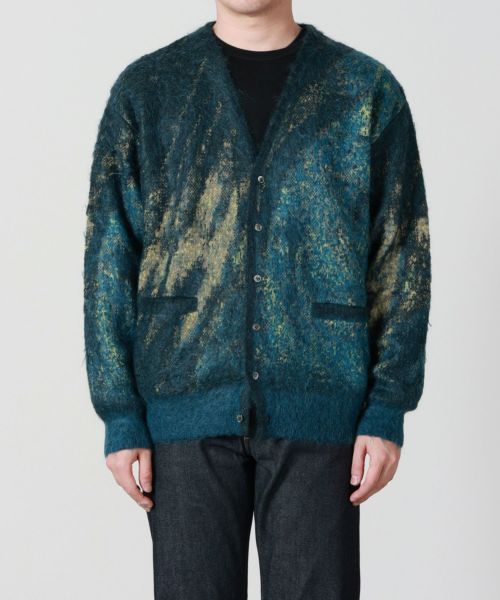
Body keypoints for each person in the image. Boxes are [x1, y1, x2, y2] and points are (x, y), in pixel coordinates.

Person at [83, 1, 431, 598]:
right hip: (183, 402)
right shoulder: (149, 90)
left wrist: (387, 407)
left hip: (321, 406)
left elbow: (401, 255)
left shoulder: (363, 90)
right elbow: (109, 257)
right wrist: (120, 413)